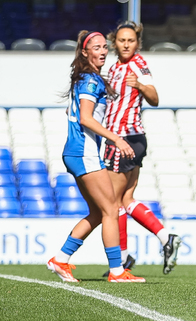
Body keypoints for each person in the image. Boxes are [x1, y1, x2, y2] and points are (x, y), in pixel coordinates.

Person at [47, 30, 145, 283]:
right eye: (97, 47)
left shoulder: (84, 78)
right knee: (112, 209)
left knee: (98, 212)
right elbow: (85, 118)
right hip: (84, 152)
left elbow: (74, 110)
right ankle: (116, 271)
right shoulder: (90, 80)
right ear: (84, 52)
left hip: (77, 151)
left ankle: (60, 259)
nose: (103, 51)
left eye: (104, 47)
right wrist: (117, 138)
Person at [103, 22, 181, 275]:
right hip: (129, 139)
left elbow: (155, 99)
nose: (126, 45)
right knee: (125, 200)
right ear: (114, 42)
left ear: (137, 43)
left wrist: (140, 86)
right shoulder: (115, 67)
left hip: (124, 138)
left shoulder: (138, 65)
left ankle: (122, 259)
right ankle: (165, 238)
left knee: (112, 203)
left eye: (131, 40)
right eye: (122, 40)